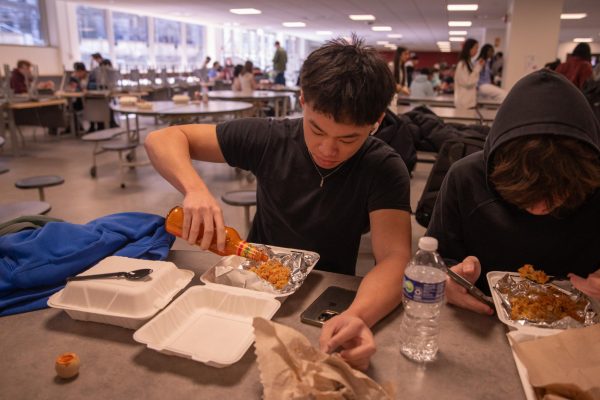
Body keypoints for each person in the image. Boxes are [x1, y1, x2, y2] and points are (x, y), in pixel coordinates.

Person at [145, 36, 412, 370]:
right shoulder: (271, 138)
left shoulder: (383, 167)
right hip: (252, 288)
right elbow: (163, 138)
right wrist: (195, 189)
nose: (328, 150)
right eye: (316, 129)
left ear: (377, 123)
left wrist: (358, 316)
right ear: (302, 100)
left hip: (324, 295)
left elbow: (395, 257)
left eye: (348, 139)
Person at [426, 69, 600, 314]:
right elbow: (434, 260)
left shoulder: (594, 182)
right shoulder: (466, 178)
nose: (541, 209)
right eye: (527, 195)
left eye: (558, 195)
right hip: (479, 320)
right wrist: (447, 279)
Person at [454, 38, 485, 109]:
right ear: (469, 48)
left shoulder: (469, 63)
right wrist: (478, 67)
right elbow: (468, 83)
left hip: (468, 101)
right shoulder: (462, 64)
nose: (477, 51)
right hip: (464, 102)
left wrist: (477, 67)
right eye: (476, 48)